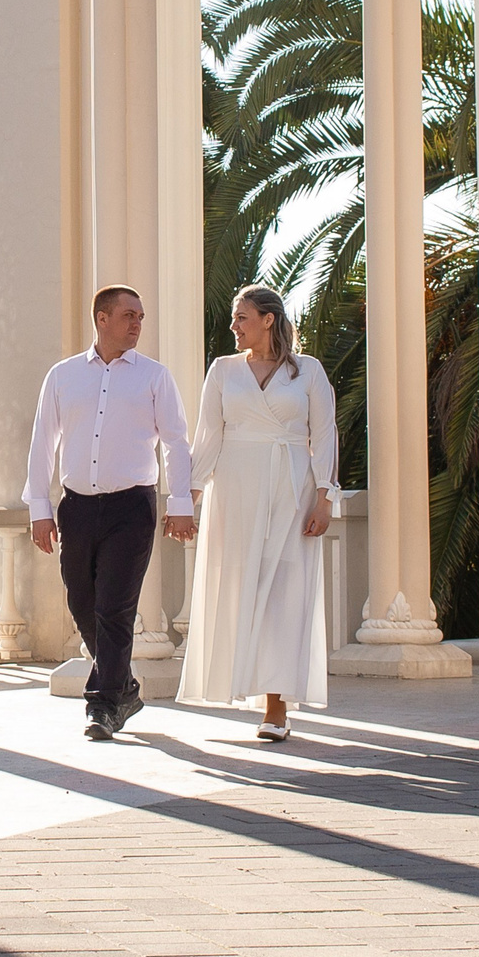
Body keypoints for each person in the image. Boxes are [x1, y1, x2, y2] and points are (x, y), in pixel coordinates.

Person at [25, 285, 198, 741]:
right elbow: (44, 441)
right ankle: (124, 686)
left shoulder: (155, 377)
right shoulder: (62, 376)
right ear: (101, 319)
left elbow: (178, 443)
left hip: (132, 506)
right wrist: (39, 509)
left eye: (141, 316)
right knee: (82, 603)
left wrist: (180, 503)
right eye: (128, 316)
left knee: (114, 608)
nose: (138, 323)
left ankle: (102, 706)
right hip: (76, 507)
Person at [178, 284, 336, 741]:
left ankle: (277, 709)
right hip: (236, 489)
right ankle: (234, 686)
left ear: (268, 319)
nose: (233, 326)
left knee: (284, 596)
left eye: (241, 317)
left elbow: (324, 436)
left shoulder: (307, 371)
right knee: (237, 587)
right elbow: (207, 437)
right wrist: (185, 501)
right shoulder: (223, 371)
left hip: (292, 491)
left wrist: (325, 498)